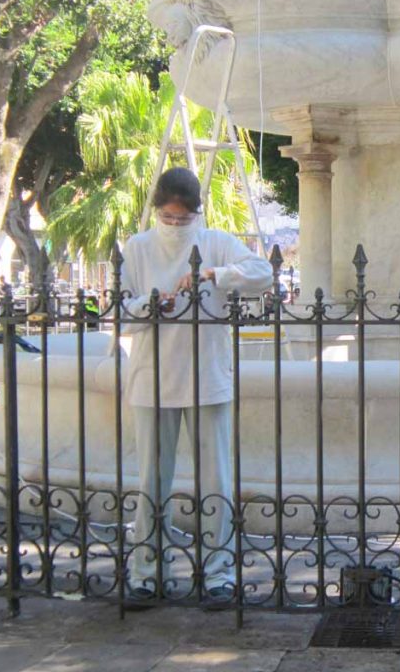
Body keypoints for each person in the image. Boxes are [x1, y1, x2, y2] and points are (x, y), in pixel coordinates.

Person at [120, 167, 273, 609]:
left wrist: (214, 275)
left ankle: (219, 572)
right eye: (167, 217)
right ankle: (147, 571)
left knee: (216, 480)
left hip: (208, 375)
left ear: (195, 213)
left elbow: (262, 273)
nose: (174, 225)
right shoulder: (137, 247)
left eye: (182, 218)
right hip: (152, 377)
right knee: (151, 478)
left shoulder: (217, 241)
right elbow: (119, 308)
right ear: (156, 212)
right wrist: (153, 303)